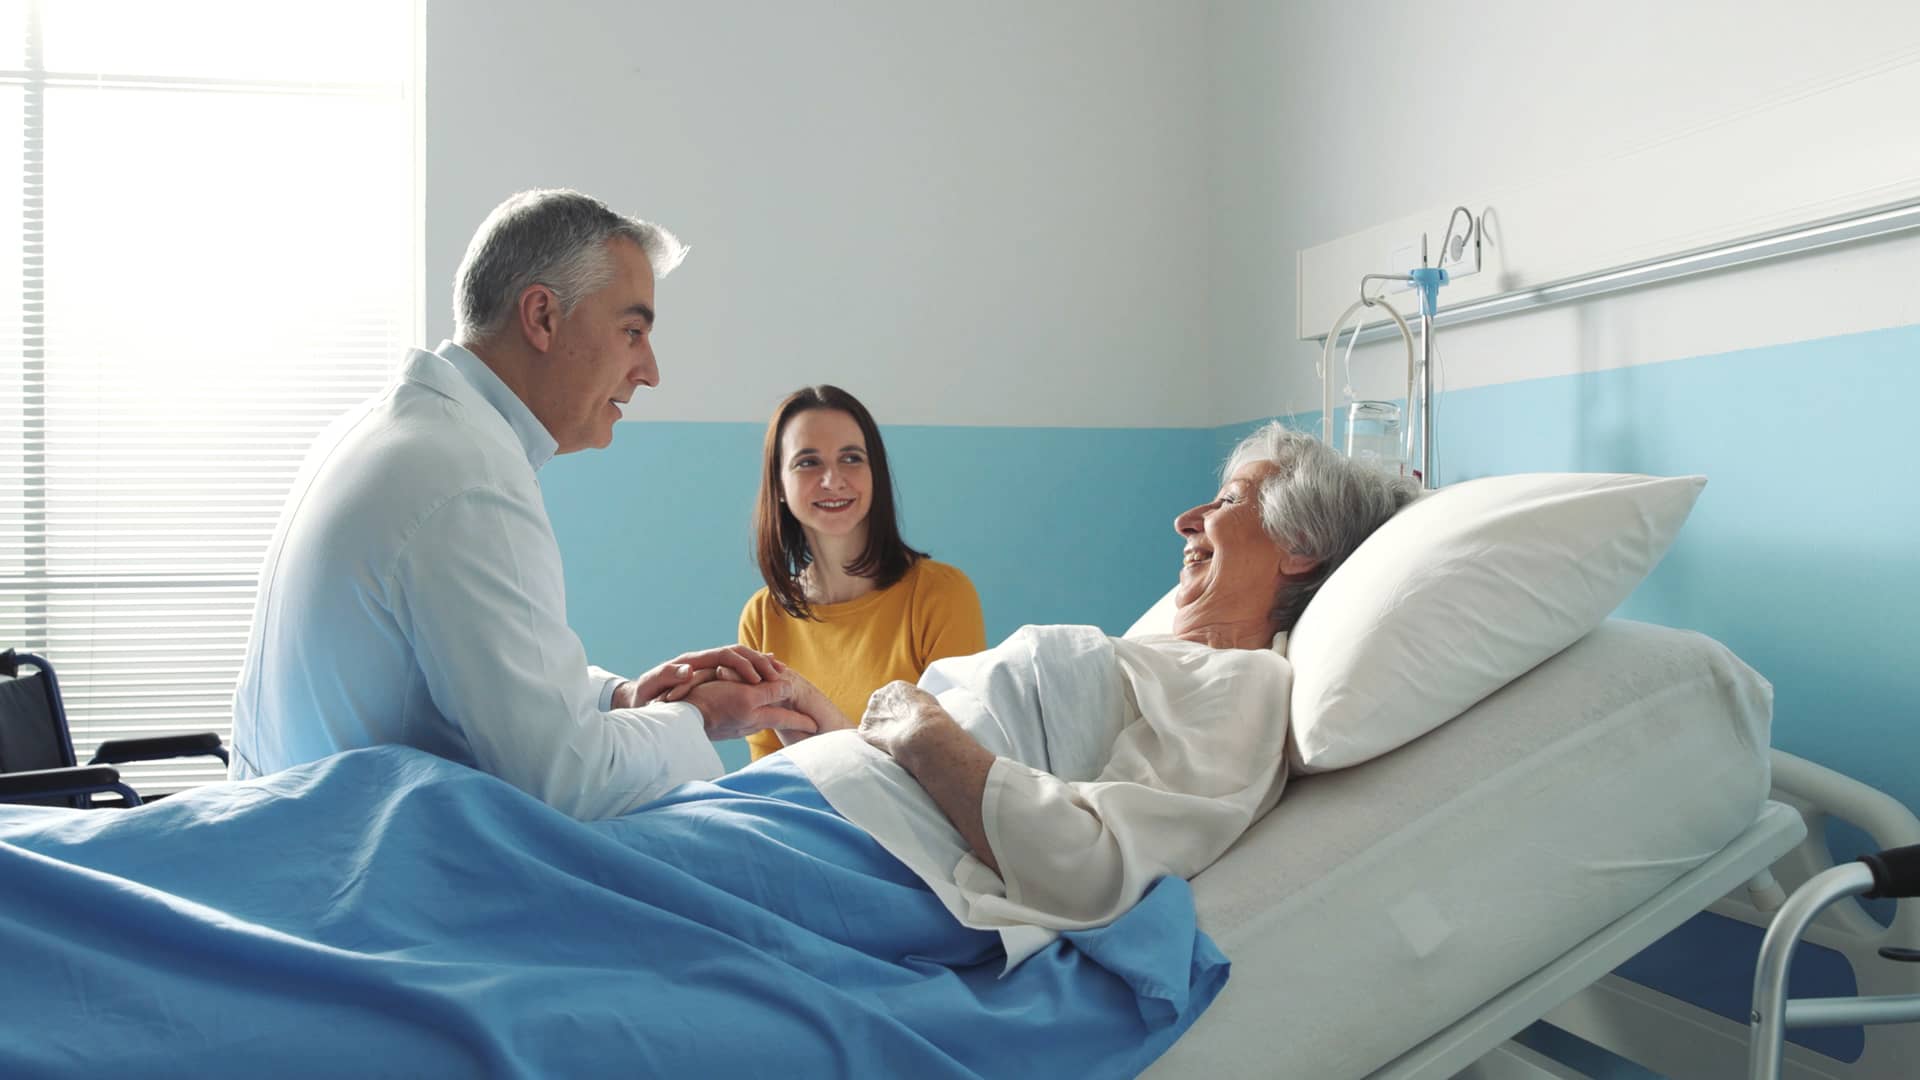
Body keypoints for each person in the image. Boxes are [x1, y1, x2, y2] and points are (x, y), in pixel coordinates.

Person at [230, 189, 813, 819]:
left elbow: (468, 675)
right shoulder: (468, 479)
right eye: (633, 331)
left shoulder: (385, 434)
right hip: (358, 878)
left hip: (290, 837)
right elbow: (567, 782)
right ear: (541, 316)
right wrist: (694, 717)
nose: (649, 370)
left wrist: (619, 700)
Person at [758, 423, 1418, 948]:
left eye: (1227, 501)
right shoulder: (1162, 659)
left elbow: (1088, 869)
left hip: (852, 856)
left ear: (1299, 545)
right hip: (826, 804)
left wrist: (919, 726)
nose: (1186, 520)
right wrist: (814, 714)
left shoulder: (1240, 687)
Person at [733, 385, 985, 762]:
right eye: (808, 462)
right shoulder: (762, 617)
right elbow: (768, 773)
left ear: (875, 474)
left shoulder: (942, 595)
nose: (833, 480)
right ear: (779, 486)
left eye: (851, 458)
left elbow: (958, 768)